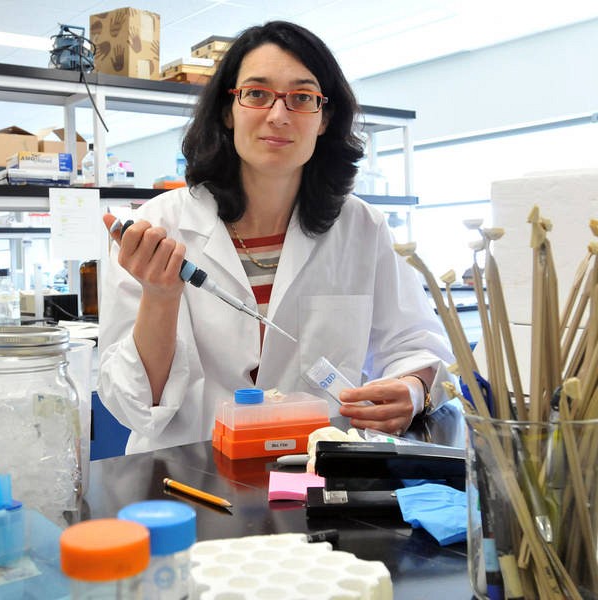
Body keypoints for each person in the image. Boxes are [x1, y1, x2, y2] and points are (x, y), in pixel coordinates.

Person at [98, 20, 456, 454]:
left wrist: (413, 389)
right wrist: (160, 296)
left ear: (324, 118)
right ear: (228, 111)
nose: (278, 115)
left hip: (319, 469)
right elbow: (132, 404)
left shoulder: (363, 227)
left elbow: (418, 346)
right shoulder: (157, 228)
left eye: (302, 97)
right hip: (187, 470)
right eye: (256, 93)